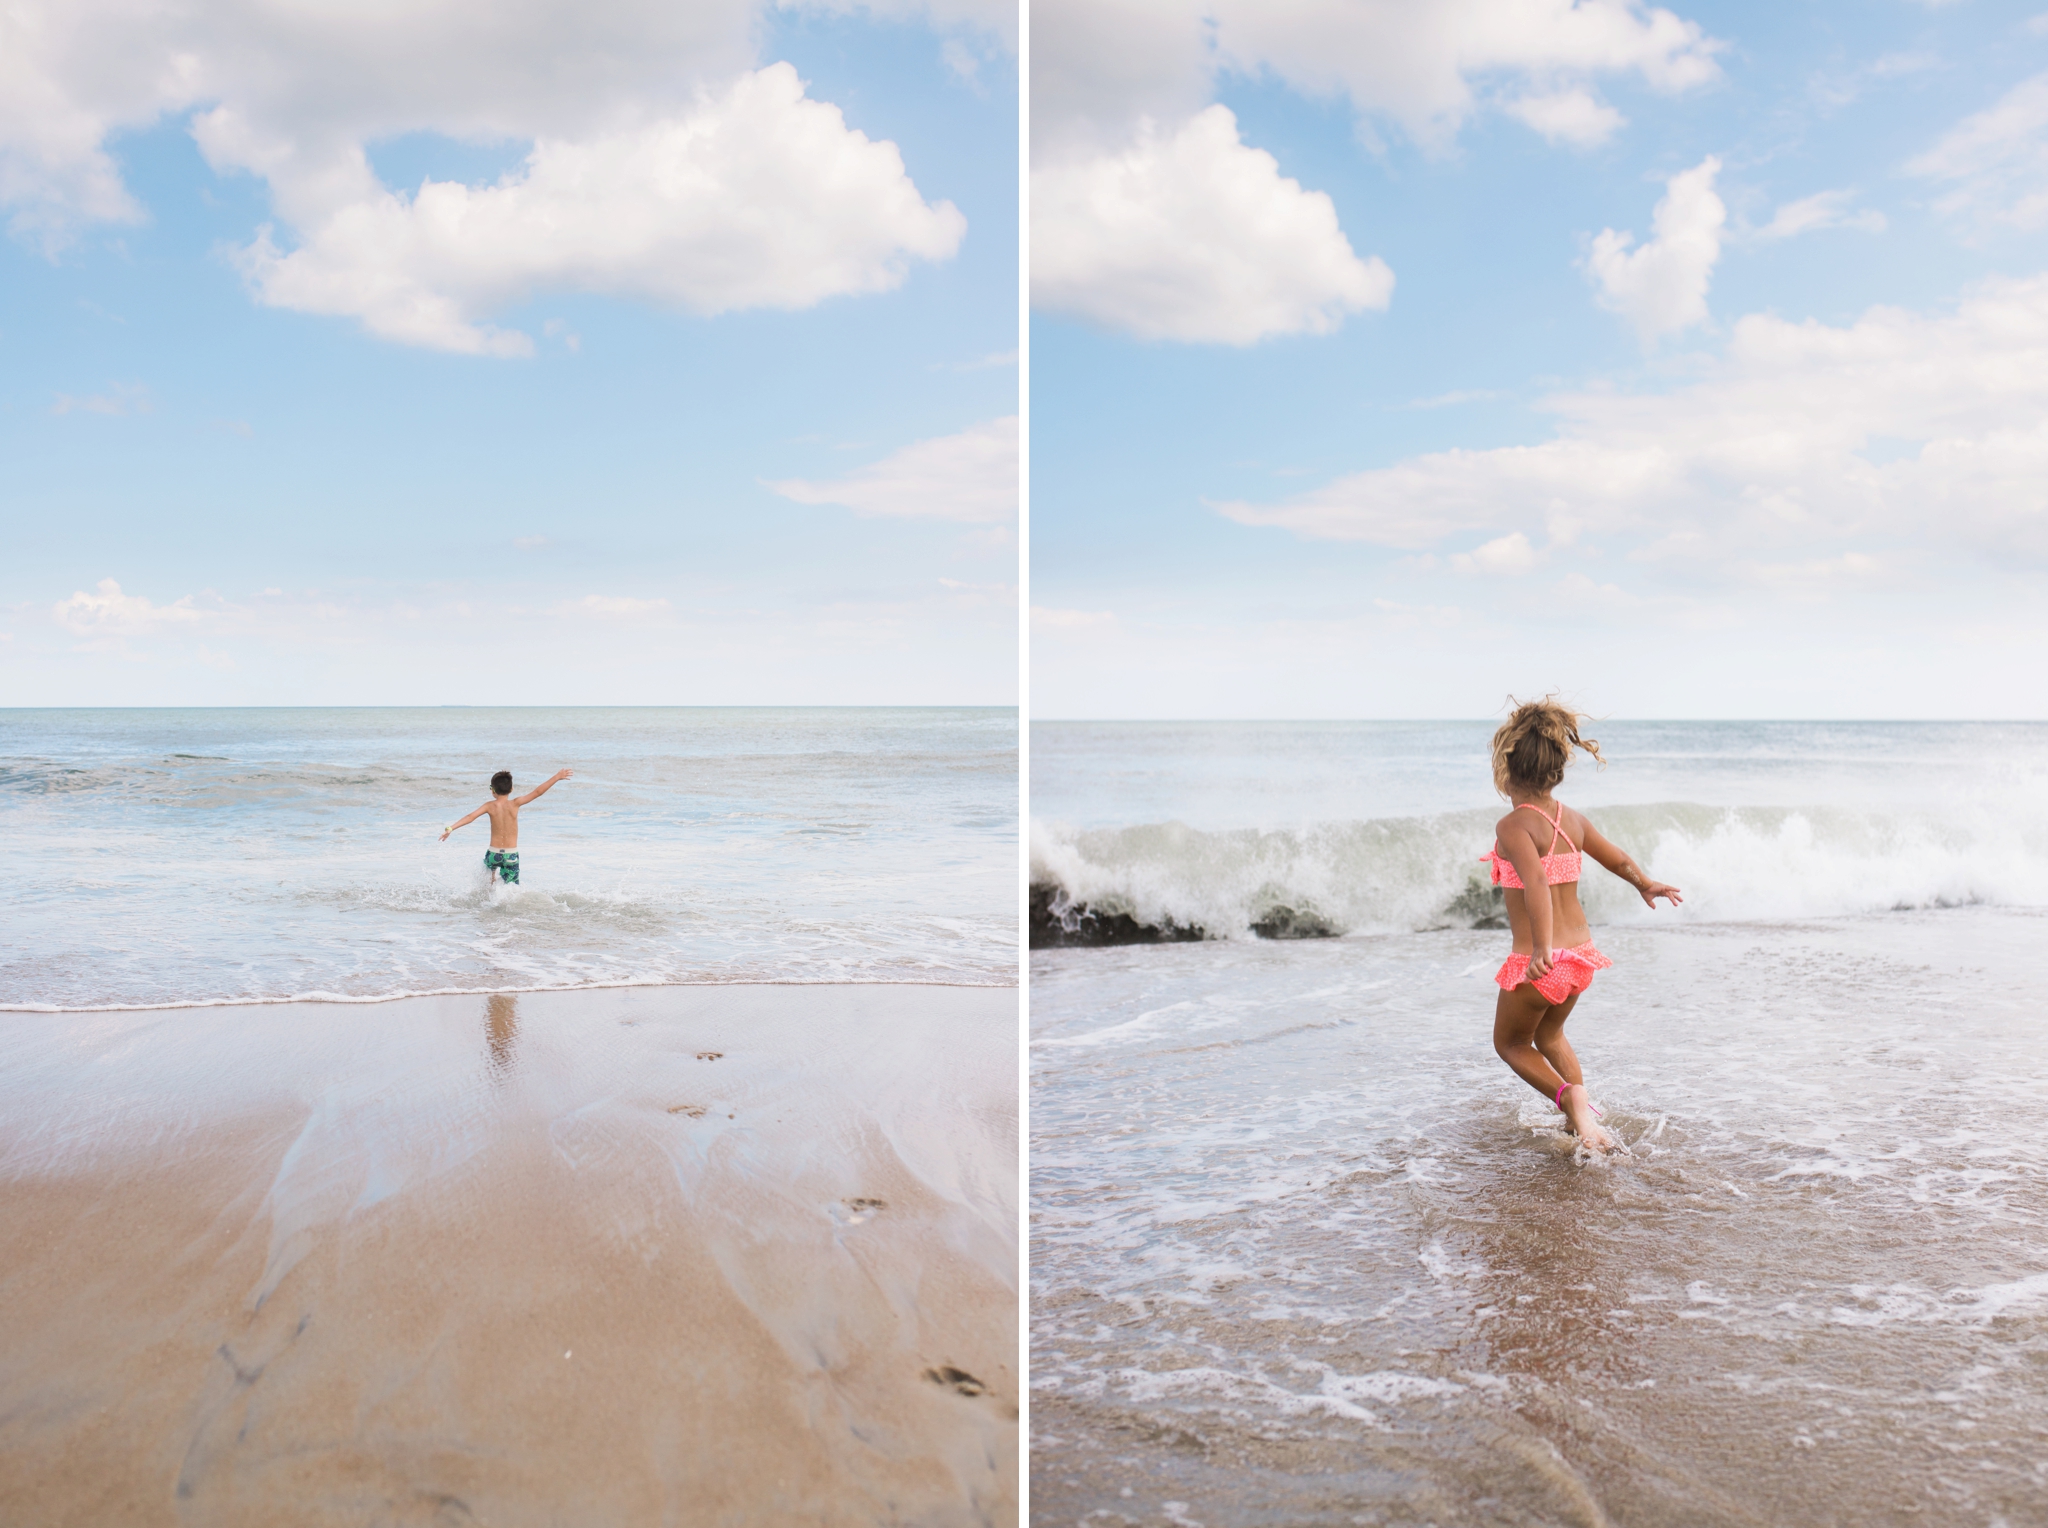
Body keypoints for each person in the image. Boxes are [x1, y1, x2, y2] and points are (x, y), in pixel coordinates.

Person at [1482, 700, 1680, 1153]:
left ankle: (1569, 1099)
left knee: (1510, 1043)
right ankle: (1584, 1124)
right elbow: (1618, 859)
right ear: (1556, 772)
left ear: (1507, 769)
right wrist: (1644, 883)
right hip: (1581, 958)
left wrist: (1539, 951)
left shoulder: (1513, 825)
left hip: (1544, 962)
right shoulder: (1571, 820)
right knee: (1549, 1034)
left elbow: (1535, 880)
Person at [441, 768, 573, 884]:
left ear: (492, 790)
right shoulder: (515, 803)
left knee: (488, 882)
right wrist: (557, 777)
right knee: (510, 889)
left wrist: (450, 828)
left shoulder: (489, 806)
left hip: (493, 853)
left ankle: (488, 901)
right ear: (511, 789)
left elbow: (470, 817)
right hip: (511, 855)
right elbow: (538, 792)